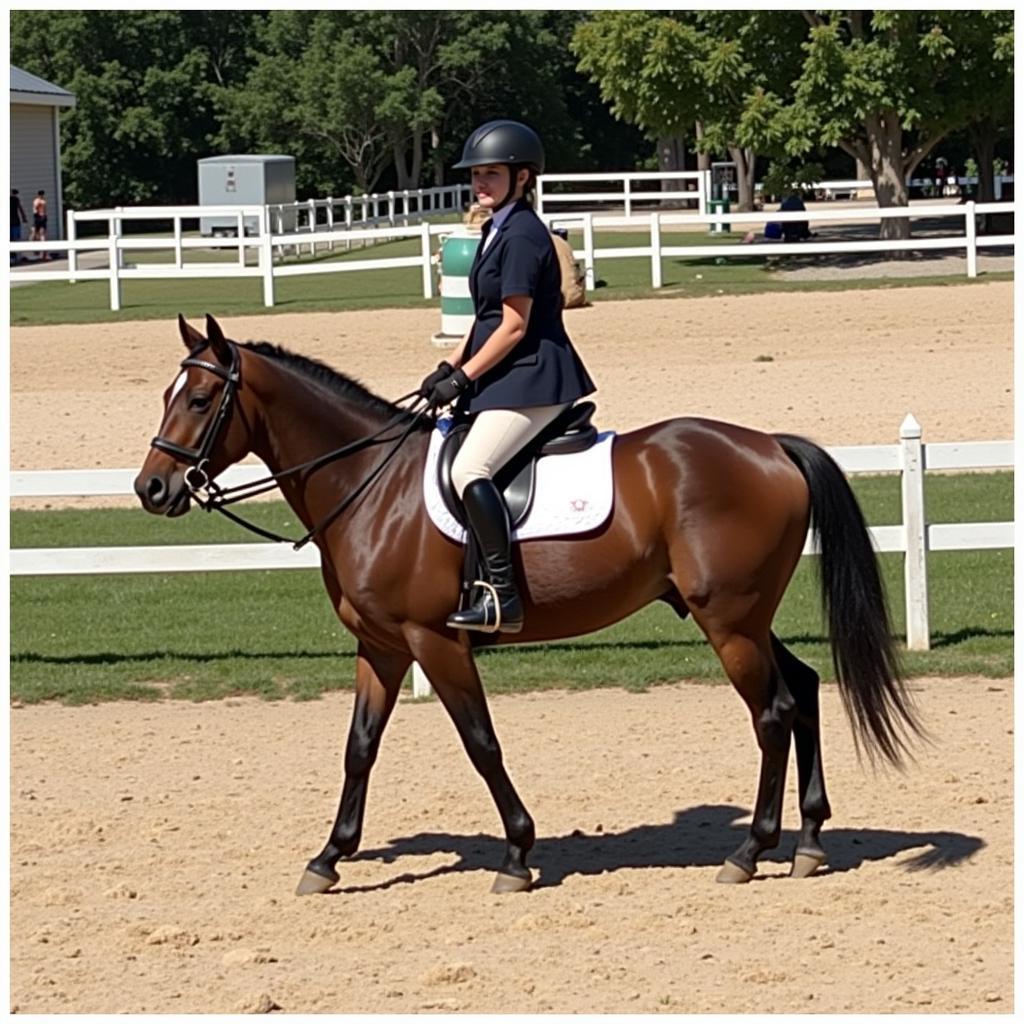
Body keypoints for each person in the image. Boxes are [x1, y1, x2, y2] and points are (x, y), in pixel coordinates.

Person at [420, 119, 596, 635]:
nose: (480, 184)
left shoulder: (521, 234)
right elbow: (485, 316)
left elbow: (515, 326)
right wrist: (450, 366)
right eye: (476, 175)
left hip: (536, 377)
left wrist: (464, 375)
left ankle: (502, 595)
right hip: (504, 375)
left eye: (491, 174)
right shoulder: (494, 229)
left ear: (522, 178)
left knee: (469, 469)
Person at [10, 189, 27, 264]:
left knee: (14, 239)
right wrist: (24, 217)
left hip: (15, 221)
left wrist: (23, 217)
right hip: (13, 221)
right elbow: (21, 209)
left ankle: (15, 256)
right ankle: (13, 256)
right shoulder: (16, 199)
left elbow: (20, 209)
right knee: (13, 239)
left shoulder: (16, 199)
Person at [31, 189, 48, 260]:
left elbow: (35, 209)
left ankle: (40, 250)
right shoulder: (43, 201)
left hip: (39, 217)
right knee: (37, 232)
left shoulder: (37, 201)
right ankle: (37, 249)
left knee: (38, 232)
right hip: (41, 217)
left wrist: (37, 214)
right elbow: (37, 209)